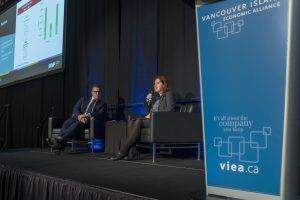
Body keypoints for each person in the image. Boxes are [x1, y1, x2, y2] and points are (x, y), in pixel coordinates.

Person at [110, 75, 175, 161]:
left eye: (158, 83)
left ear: (164, 84)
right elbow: (149, 110)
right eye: (154, 83)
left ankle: (122, 152)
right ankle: (132, 152)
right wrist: (147, 101)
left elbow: (169, 110)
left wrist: (154, 114)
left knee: (138, 121)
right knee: (131, 120)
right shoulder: (156, 97)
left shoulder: (168, 94)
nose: (155, 85)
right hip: (151, 119)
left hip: (159, 121)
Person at [48, 85, 107, 152]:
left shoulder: (102, 104)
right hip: (78, 118)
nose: (97, 93)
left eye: (99, 92)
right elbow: (76, 108)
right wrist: (79, 116)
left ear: (101, 93)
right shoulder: (84, 99)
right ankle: (61, 141)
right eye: (95, 91)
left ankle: (60, 140)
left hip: (88, 121)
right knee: (68, 121)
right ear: (92, 92)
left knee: (77, 124)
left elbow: (99, 114)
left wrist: (85, 116)